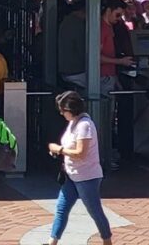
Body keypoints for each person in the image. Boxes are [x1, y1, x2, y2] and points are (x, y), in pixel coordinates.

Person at [45, 91, 112, 245]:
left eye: (63, 110)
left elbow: (81, 153)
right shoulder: (73, 123)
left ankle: (107, 240)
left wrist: (59, 150)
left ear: (71, 109)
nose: (61, 113)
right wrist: (60, 151)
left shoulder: (84, 125)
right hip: (71, 174)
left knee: (94, 211)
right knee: (61, 208)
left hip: (87, 177)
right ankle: (52, 241)